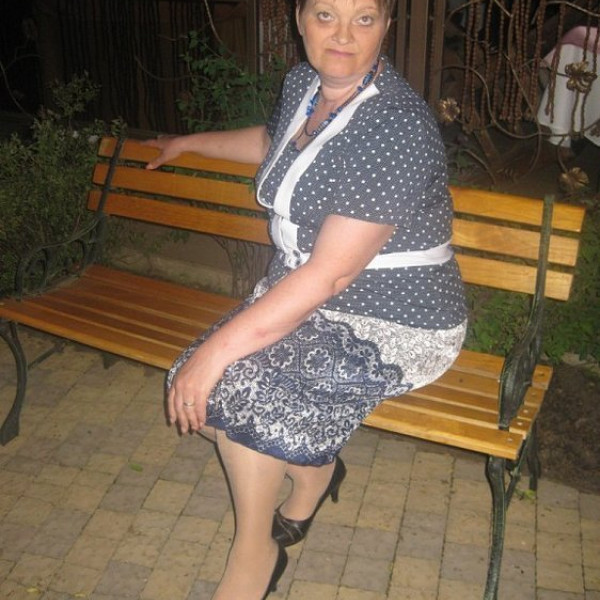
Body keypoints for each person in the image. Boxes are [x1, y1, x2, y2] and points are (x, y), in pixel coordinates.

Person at [144, 0, 467, 598]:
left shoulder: (395, 125)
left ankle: (253, 556)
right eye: (325, 15)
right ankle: (316, 468)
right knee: (197, 392)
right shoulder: (304, 84)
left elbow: (328, 277)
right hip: (306, 297)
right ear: (299, 20)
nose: (343, 34)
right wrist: (189, 142)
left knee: (232, 392)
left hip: (394, 321)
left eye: (364, 18)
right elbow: (275, 142)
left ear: (386, 26)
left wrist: (213, 354)